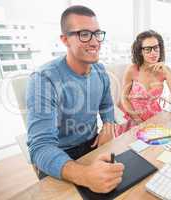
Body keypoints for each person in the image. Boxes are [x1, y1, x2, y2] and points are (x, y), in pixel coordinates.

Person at [26, 5, 124, 193]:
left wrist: (108, 124)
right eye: (84, 34)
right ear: (65, 40)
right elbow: (40, 147)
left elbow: (106, 104)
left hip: (92, 145)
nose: (95, 42)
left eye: (97, 34)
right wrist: (86, 175)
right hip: (60, 154)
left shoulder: (100, 71)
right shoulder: (44, 79)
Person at [116, 30, 171, 136]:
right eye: (148, 49)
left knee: (157, 147)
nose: (153, 53)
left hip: (154, 115)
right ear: (140, 51)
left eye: (156, 48)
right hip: (132, 115)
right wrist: (138, 121)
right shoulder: (132, 70)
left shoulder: (165, 71)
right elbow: (124, 99)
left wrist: (168, 74)